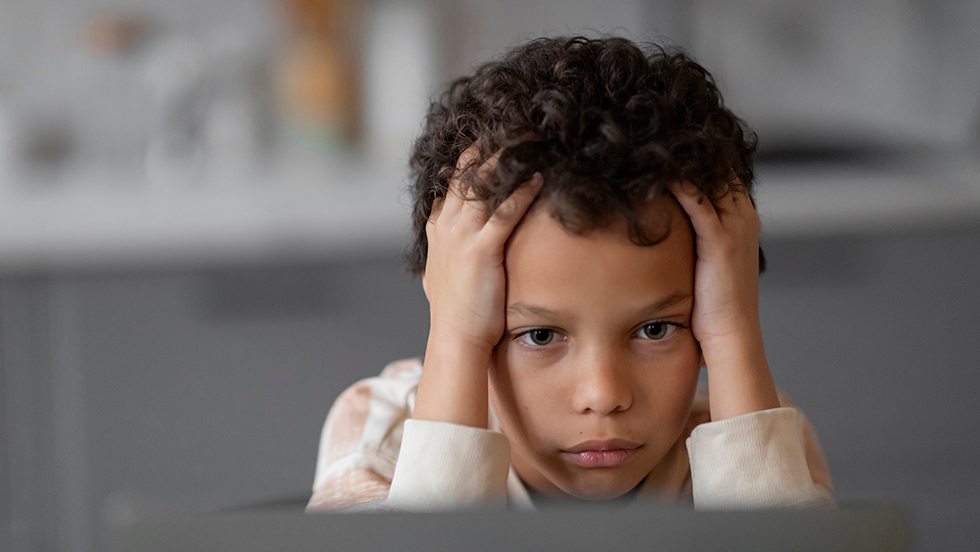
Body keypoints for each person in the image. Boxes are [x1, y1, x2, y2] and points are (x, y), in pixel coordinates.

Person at [306, 35, 835, 512]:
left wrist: (734, 332)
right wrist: (457, 336)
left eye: (655, 329)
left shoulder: (757, 434)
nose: (603, 394)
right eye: (539, 335)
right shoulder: (381, 432)